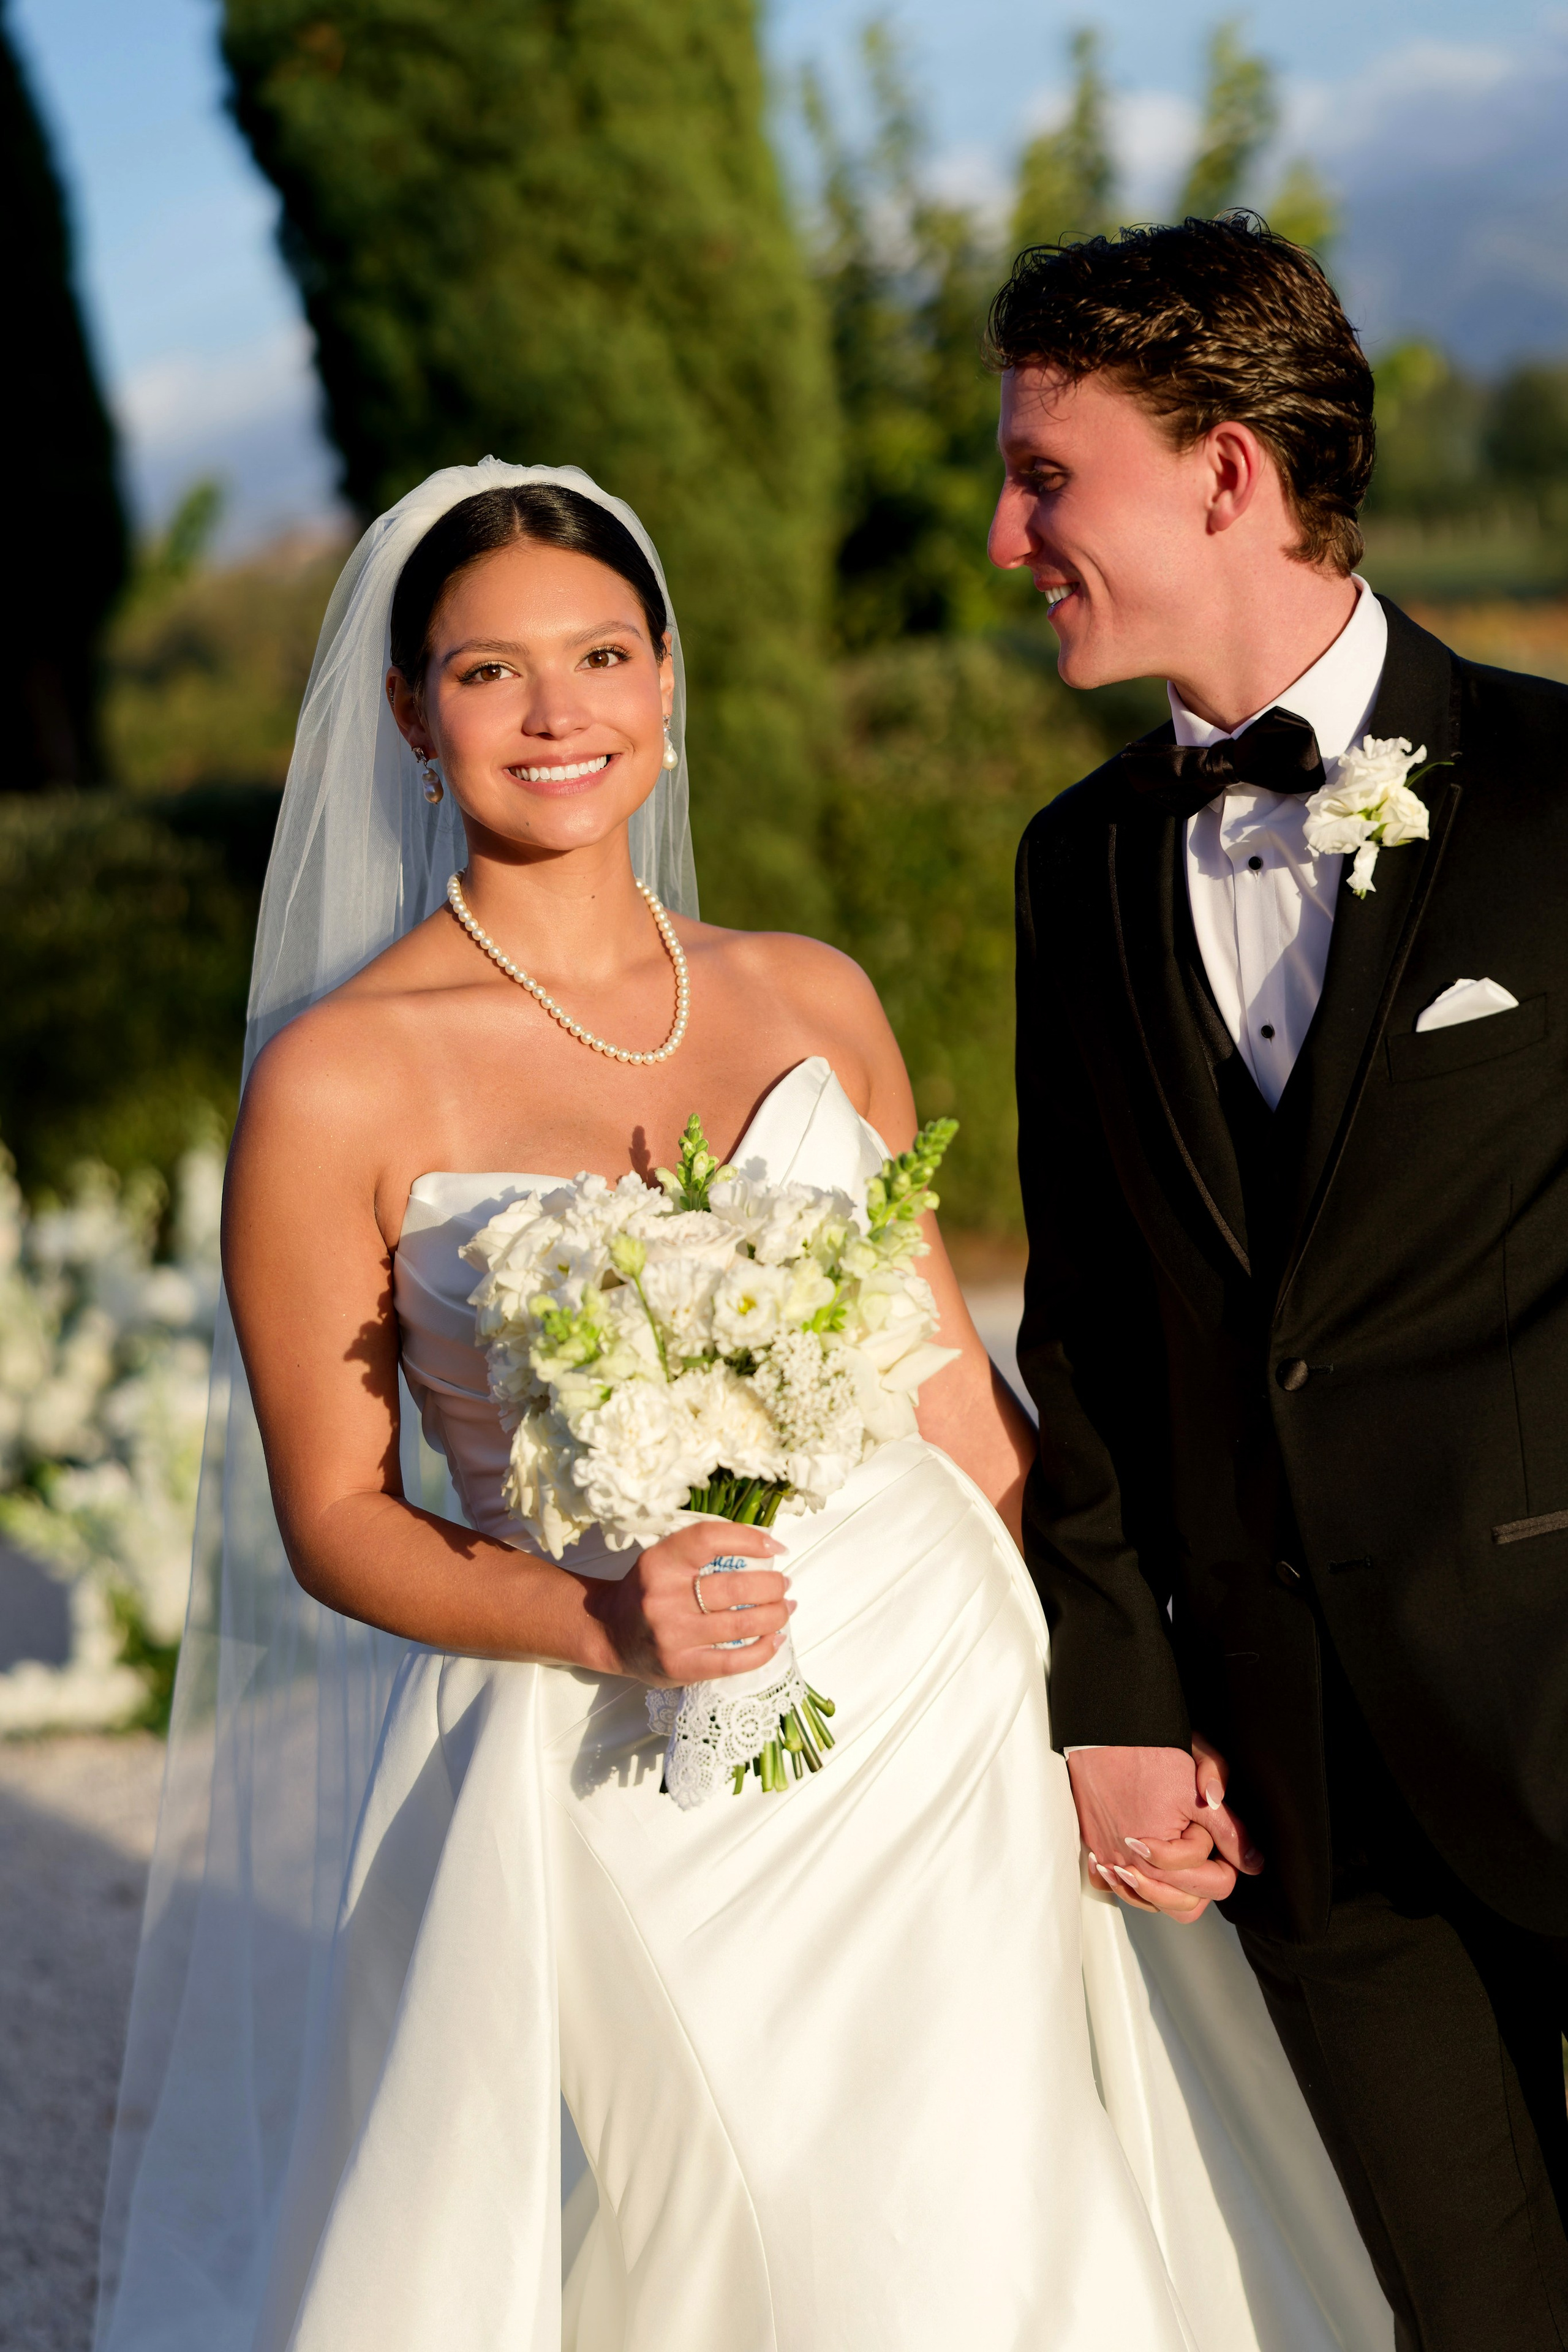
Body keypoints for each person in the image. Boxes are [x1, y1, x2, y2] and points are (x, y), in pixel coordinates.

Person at [95, 460, 1388, 2352]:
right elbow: (339, 1517)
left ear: (670, 682)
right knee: (761, 2226)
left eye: (605, 653)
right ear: (406, 712)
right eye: (488, 673)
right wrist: (598, 1615)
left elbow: (957, 1393)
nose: (560, 715)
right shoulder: (336, 1084)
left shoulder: (812, 998)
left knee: (1000, 2208)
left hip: (942, 1706)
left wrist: (1128, 1700)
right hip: (624, 1755)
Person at [994, 213, 1568, 2352]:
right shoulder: (1077, 873)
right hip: (1303, 1797)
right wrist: (1126, 1703)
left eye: (1047, 473)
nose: (1002, 532)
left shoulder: (1557, 790)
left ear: (1225, 469)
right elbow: (1092, 1330)